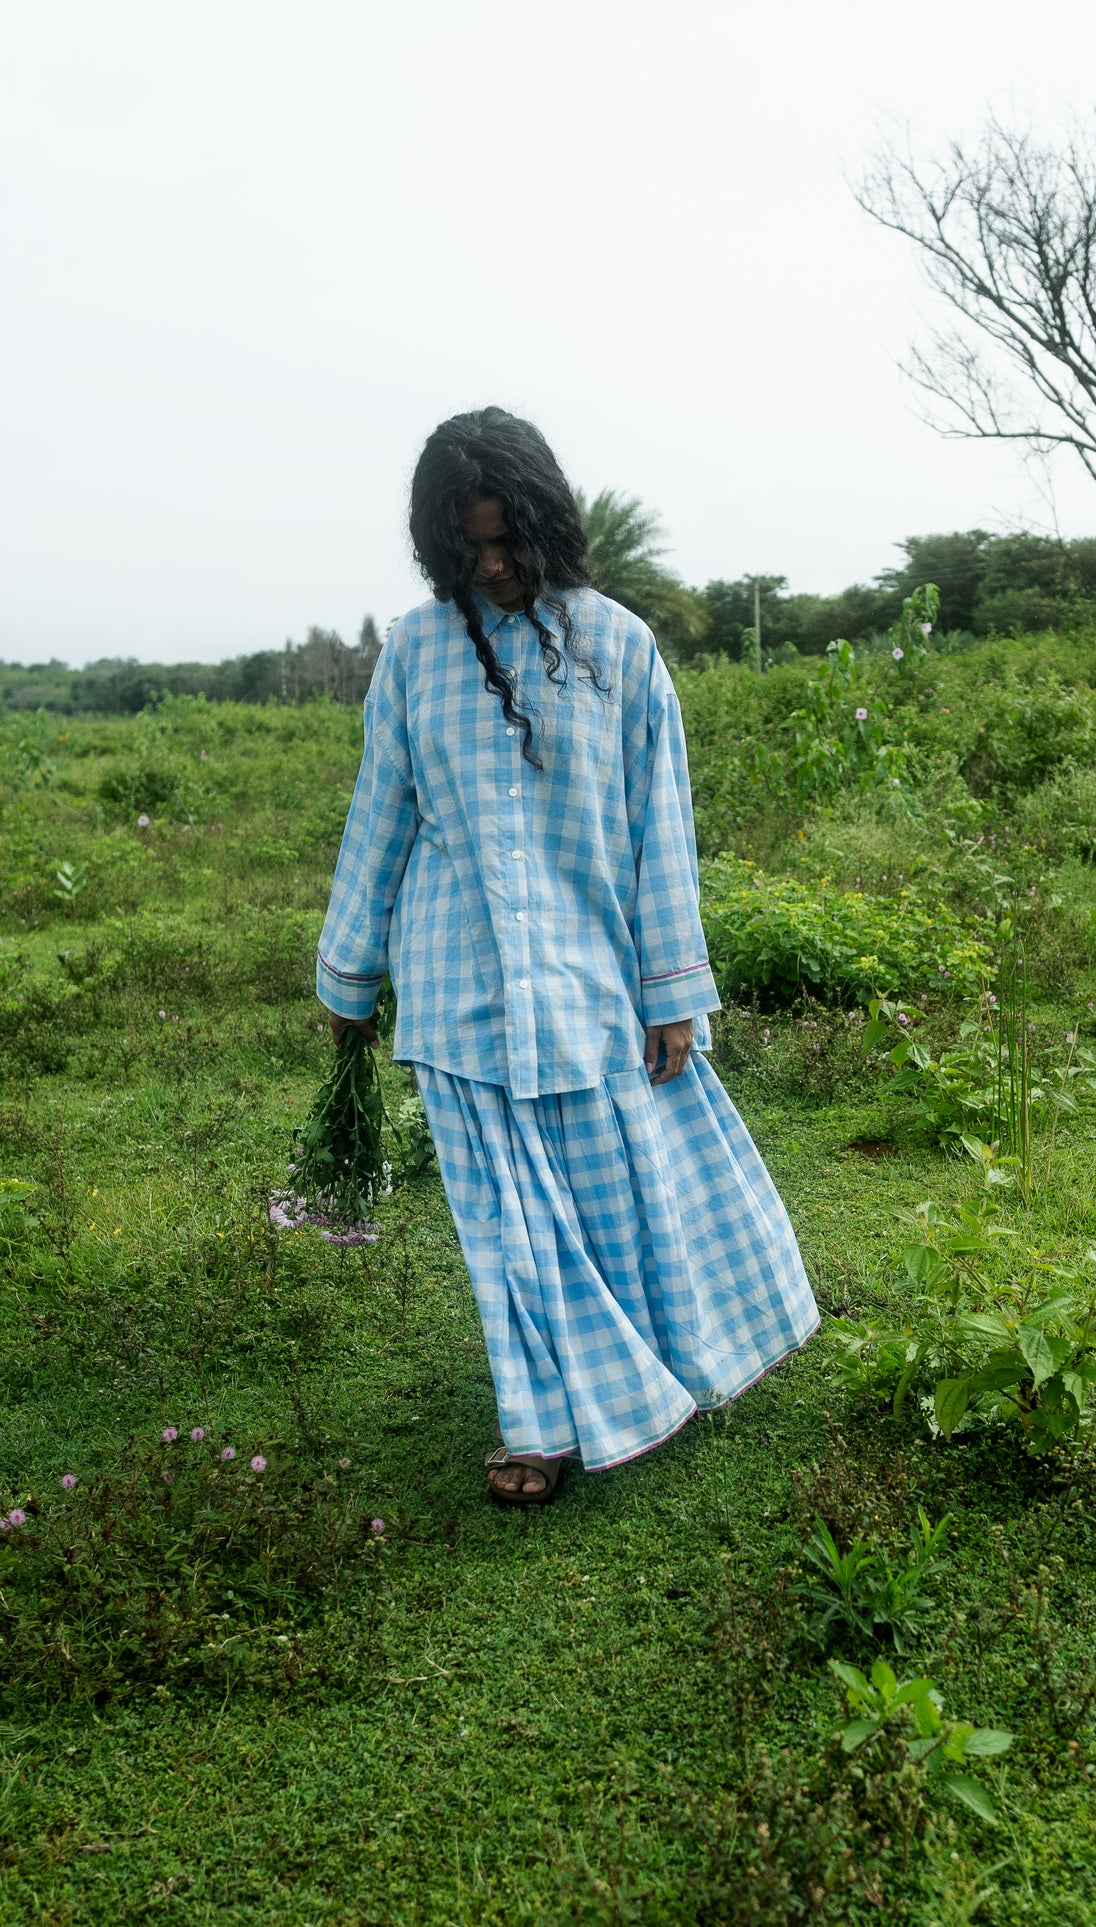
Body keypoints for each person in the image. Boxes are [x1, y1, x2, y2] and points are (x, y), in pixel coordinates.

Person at [316, 407, 818, 1504]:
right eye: (469, 549)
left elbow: (659, 833)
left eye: (509, 541)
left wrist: (673, 988)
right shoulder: (412, 652)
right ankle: (537, 1428)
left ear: (549, 522)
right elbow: (380, 820)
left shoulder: (619, 646)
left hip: (593, 984)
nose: (493, 567)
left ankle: (657, 1367)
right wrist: (351, 976)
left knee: (616, 1195)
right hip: (457, 989)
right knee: (507, 1223)